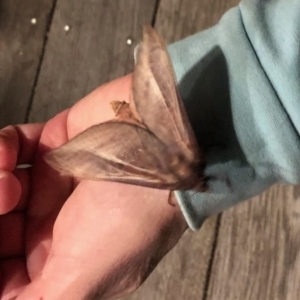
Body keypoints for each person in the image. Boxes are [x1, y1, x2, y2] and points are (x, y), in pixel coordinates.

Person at [1, 0, 300, 299]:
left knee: (114, 161)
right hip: (148, 124)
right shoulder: (178, 171)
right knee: (110, 160)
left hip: (152, 128)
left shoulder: (179, 167)